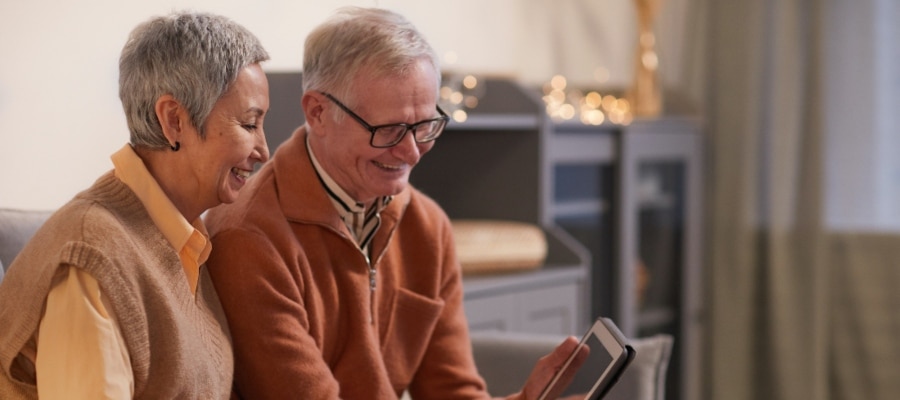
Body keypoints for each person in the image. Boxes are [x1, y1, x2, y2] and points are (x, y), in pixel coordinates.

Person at [204, 6, 584, 400]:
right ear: (318, 112)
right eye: (389, 129)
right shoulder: (249, 240)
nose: (412, 152)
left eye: (425, 126)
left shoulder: (428, 226)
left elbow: (451, 391)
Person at [0, 11, 270, 399]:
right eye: (248, 124)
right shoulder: (92, 259)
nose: (263, 149)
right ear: (174, 120)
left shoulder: (186, 239)